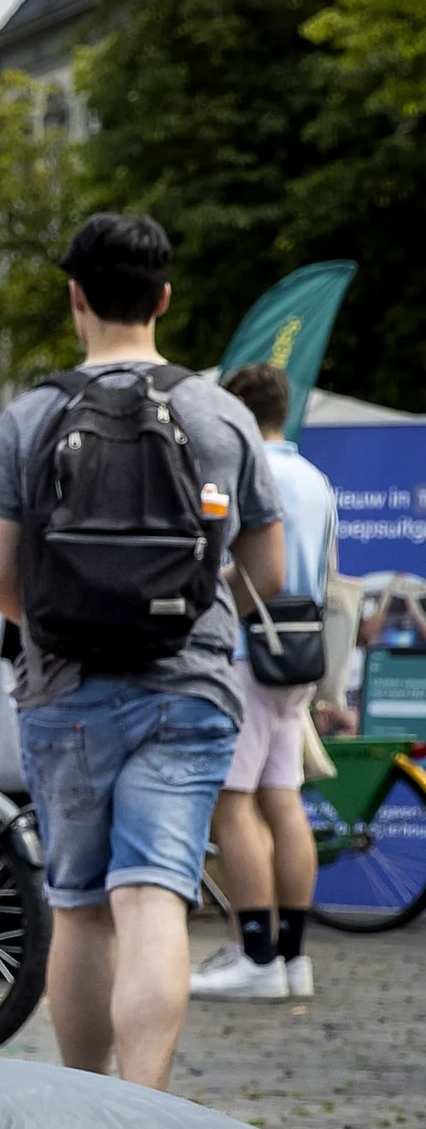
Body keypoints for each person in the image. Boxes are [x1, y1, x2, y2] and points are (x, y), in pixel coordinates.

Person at [0, 213, 281, 1090]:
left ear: (75, 297)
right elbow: (269, 567)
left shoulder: (32, 414)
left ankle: (83, 1101)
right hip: (189, 686)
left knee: (79, 903)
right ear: (165, 298)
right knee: (153, 894)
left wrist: (64, 620)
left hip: (64, 688)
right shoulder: (220, 413)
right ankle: (147, 1106)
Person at [195, 360, 346, 1002]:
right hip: (301, 649)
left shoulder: (245, 469)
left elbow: (234, 559)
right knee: (283, 796)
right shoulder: (315, 478)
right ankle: (291, 956)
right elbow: (331, 570)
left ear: (236, 409)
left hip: (244, 646)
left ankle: (255, 954)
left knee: (233, 800)